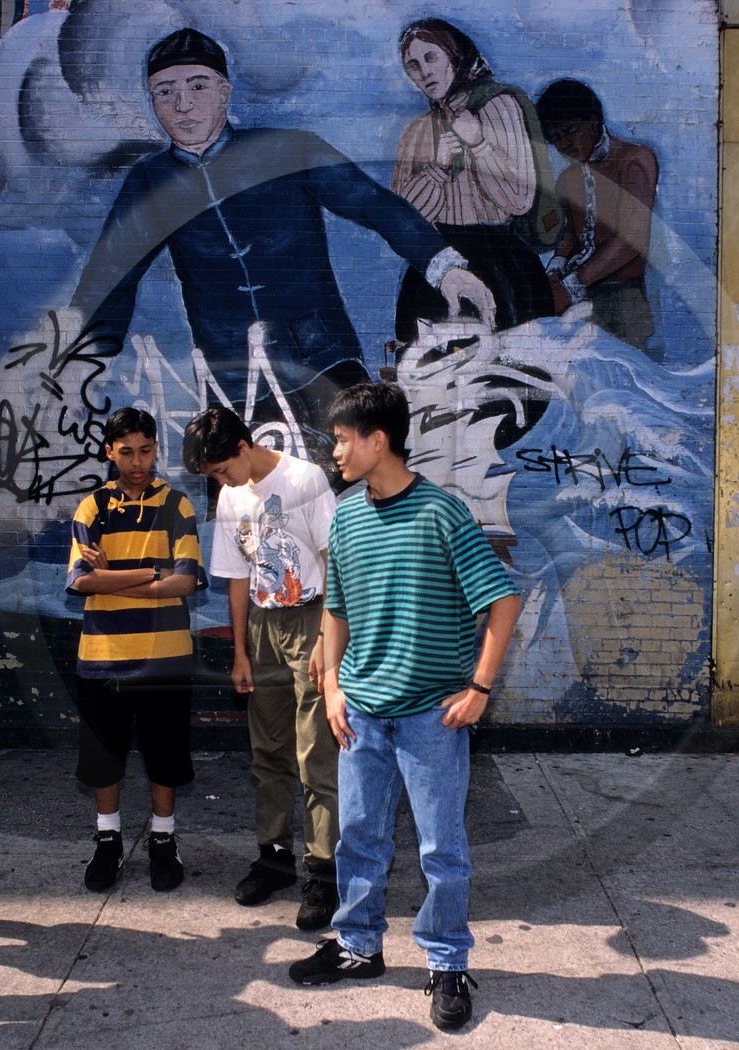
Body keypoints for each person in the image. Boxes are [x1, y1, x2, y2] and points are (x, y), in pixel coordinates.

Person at [70, 29, 492, 468]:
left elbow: (373, 204)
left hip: (320, 355)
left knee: (362, 484)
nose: (183, 104)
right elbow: (111, 273)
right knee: (250, 514)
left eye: (198, 86)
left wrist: (443, 266)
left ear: (224, 91)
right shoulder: (149, 182)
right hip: (233, 376)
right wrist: (80, 360)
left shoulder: (288, 149)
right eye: (165, 91)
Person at [287, 382, 522, 1033]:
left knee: (441, 848)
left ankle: (447, 962)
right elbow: (336, 609)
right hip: (361, 711)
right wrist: (333, 687)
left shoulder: (442, 513)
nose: (335, 451)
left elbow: (502, 601)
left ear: (377, 440)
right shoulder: (348, 516)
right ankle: (358, 946)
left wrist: (479, 686)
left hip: (430, 717)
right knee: (358, 838)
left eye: (341, 439)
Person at [182, 406, 339, 929]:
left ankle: (323, 873)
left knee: (316, 751)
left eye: (224, 469)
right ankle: (274, 859)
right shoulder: (230, 496)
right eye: (214, 476)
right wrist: (241, 653)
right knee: (268, 751)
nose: (222, 482)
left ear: (244, 446)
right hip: (262, 629)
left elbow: (333, 560)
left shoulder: (304, 478)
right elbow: (234, 577)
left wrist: (324, 639)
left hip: (311, 619)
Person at [65, 407, 203, 893]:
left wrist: (114, 578)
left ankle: (163, 839)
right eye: (126, 452)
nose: (138, 461)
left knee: (165, 753)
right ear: (109, 452)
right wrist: (151, 572)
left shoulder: (177, 505)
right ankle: (108, 840)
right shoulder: (92, 508)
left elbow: (186, 581)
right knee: (105, 757)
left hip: (165, 656)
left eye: (145, 450)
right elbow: (81, 581)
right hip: (103, 655)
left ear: (155, 449)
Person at [391, 18, 554, 340]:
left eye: (431, 57)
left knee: (506, 376)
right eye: (413, 65)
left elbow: (520, 200)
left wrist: (479, 145)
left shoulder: (497, 104)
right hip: (438, 263)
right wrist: (437, 169)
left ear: (455, 56)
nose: (423, 72)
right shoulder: (417, 132)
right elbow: (400, 219)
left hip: (500, 262)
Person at [534, 78, 660, 351]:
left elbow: (631, 238)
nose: (564, 143)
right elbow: (570, 236)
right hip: (576, 294)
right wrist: (555, 269)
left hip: (621, 296)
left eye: (570, 131)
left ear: (593, 121)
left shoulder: (634, 160)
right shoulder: (568, 179)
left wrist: (571, 287)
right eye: (555, 139)